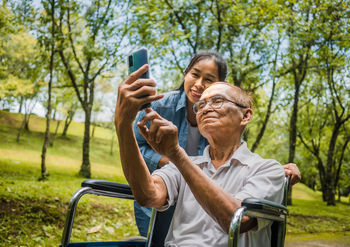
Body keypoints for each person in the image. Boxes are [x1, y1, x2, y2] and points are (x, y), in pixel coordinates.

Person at [129, 50, 301, 236]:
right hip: (170, 189)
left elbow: (229, 162)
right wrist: (124, 125)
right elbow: (148, 190)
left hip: (206, 201)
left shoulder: (250, 158)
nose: (199, 85)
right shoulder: (160, 106)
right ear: (186, 74)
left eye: (210, 82)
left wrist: (274, 173)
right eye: (195, 74)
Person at [115, 77, 286, 247]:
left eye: (217, 101)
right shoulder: (185, 164)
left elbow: (237, 220)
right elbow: (148, 195)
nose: (205, 109)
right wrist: (123, 125)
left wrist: (177, 155)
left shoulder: (268, 169)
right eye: (201, 105)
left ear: (245, 115)